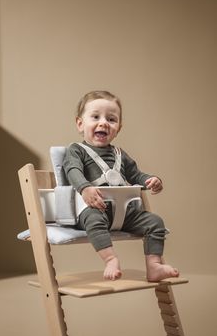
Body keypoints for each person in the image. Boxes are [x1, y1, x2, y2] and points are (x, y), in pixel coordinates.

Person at [63, 90, 179, 281]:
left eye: (111, 119)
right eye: (95, 117)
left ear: (119, 128)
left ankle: (154, 266)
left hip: (124, 213)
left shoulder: (119, 154)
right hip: (93, 208)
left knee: (155, 222)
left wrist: (150, 180)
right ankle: (110, 259)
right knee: (93, 219)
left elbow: (136, 175)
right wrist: (85, 188)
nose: (103, 123)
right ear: (80, 124)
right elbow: (73, 171)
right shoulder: (76, 151)